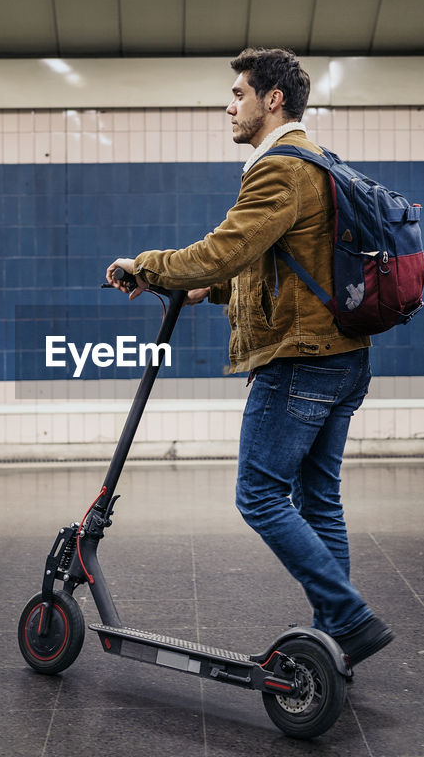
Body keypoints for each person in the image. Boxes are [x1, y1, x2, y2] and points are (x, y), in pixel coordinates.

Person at [106, 47, 393, 667]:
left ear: (273, 100)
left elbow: (222, 250)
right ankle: (337, 640)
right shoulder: (316, 163)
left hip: (300, 362)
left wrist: (149, 267)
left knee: (259, 494)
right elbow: (279, 269)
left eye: (239, 94)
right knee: (318, 500)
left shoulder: (280, 169)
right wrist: (211, 291)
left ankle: (346, 616)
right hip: (344, 359)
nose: (229, 104)